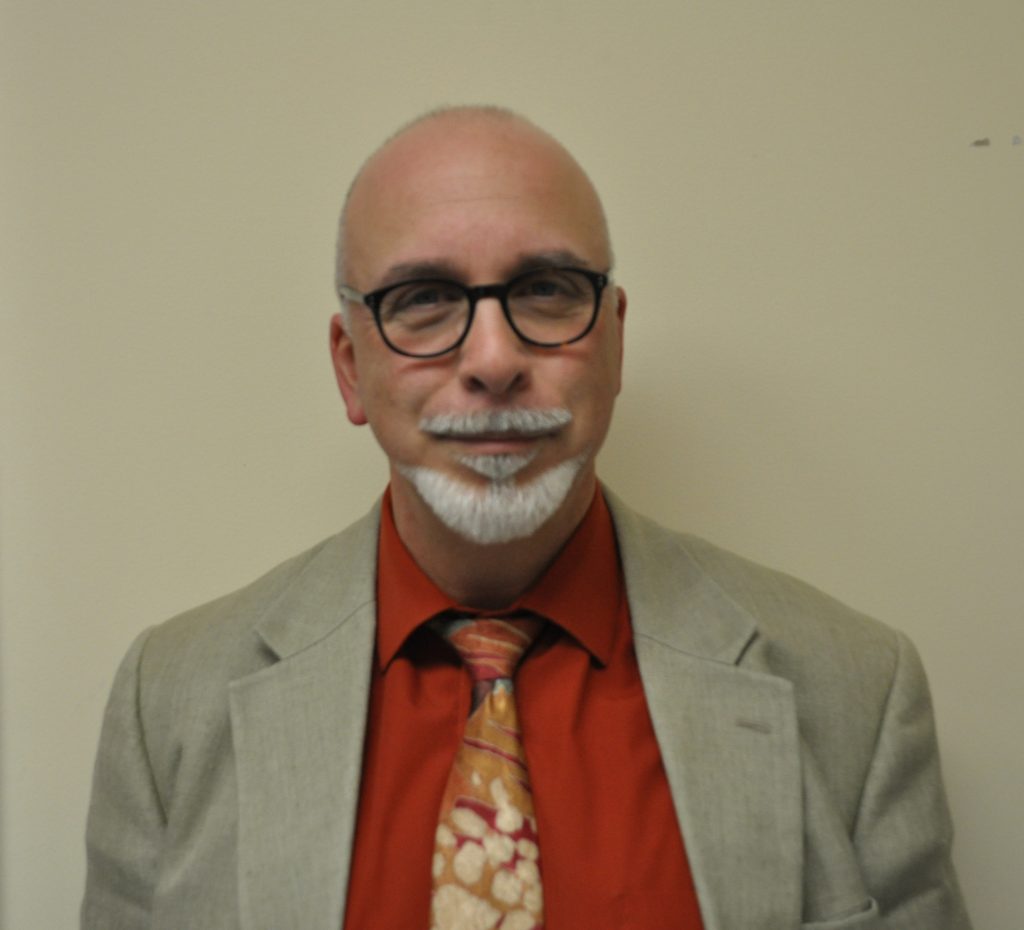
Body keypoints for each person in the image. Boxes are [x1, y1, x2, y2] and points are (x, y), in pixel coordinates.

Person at [81, 106, 972, 930]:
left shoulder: (856, 693)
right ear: (351, 368)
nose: (495, 358)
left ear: (613, 340)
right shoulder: (170, 703)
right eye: (422, 299)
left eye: (546, 289)